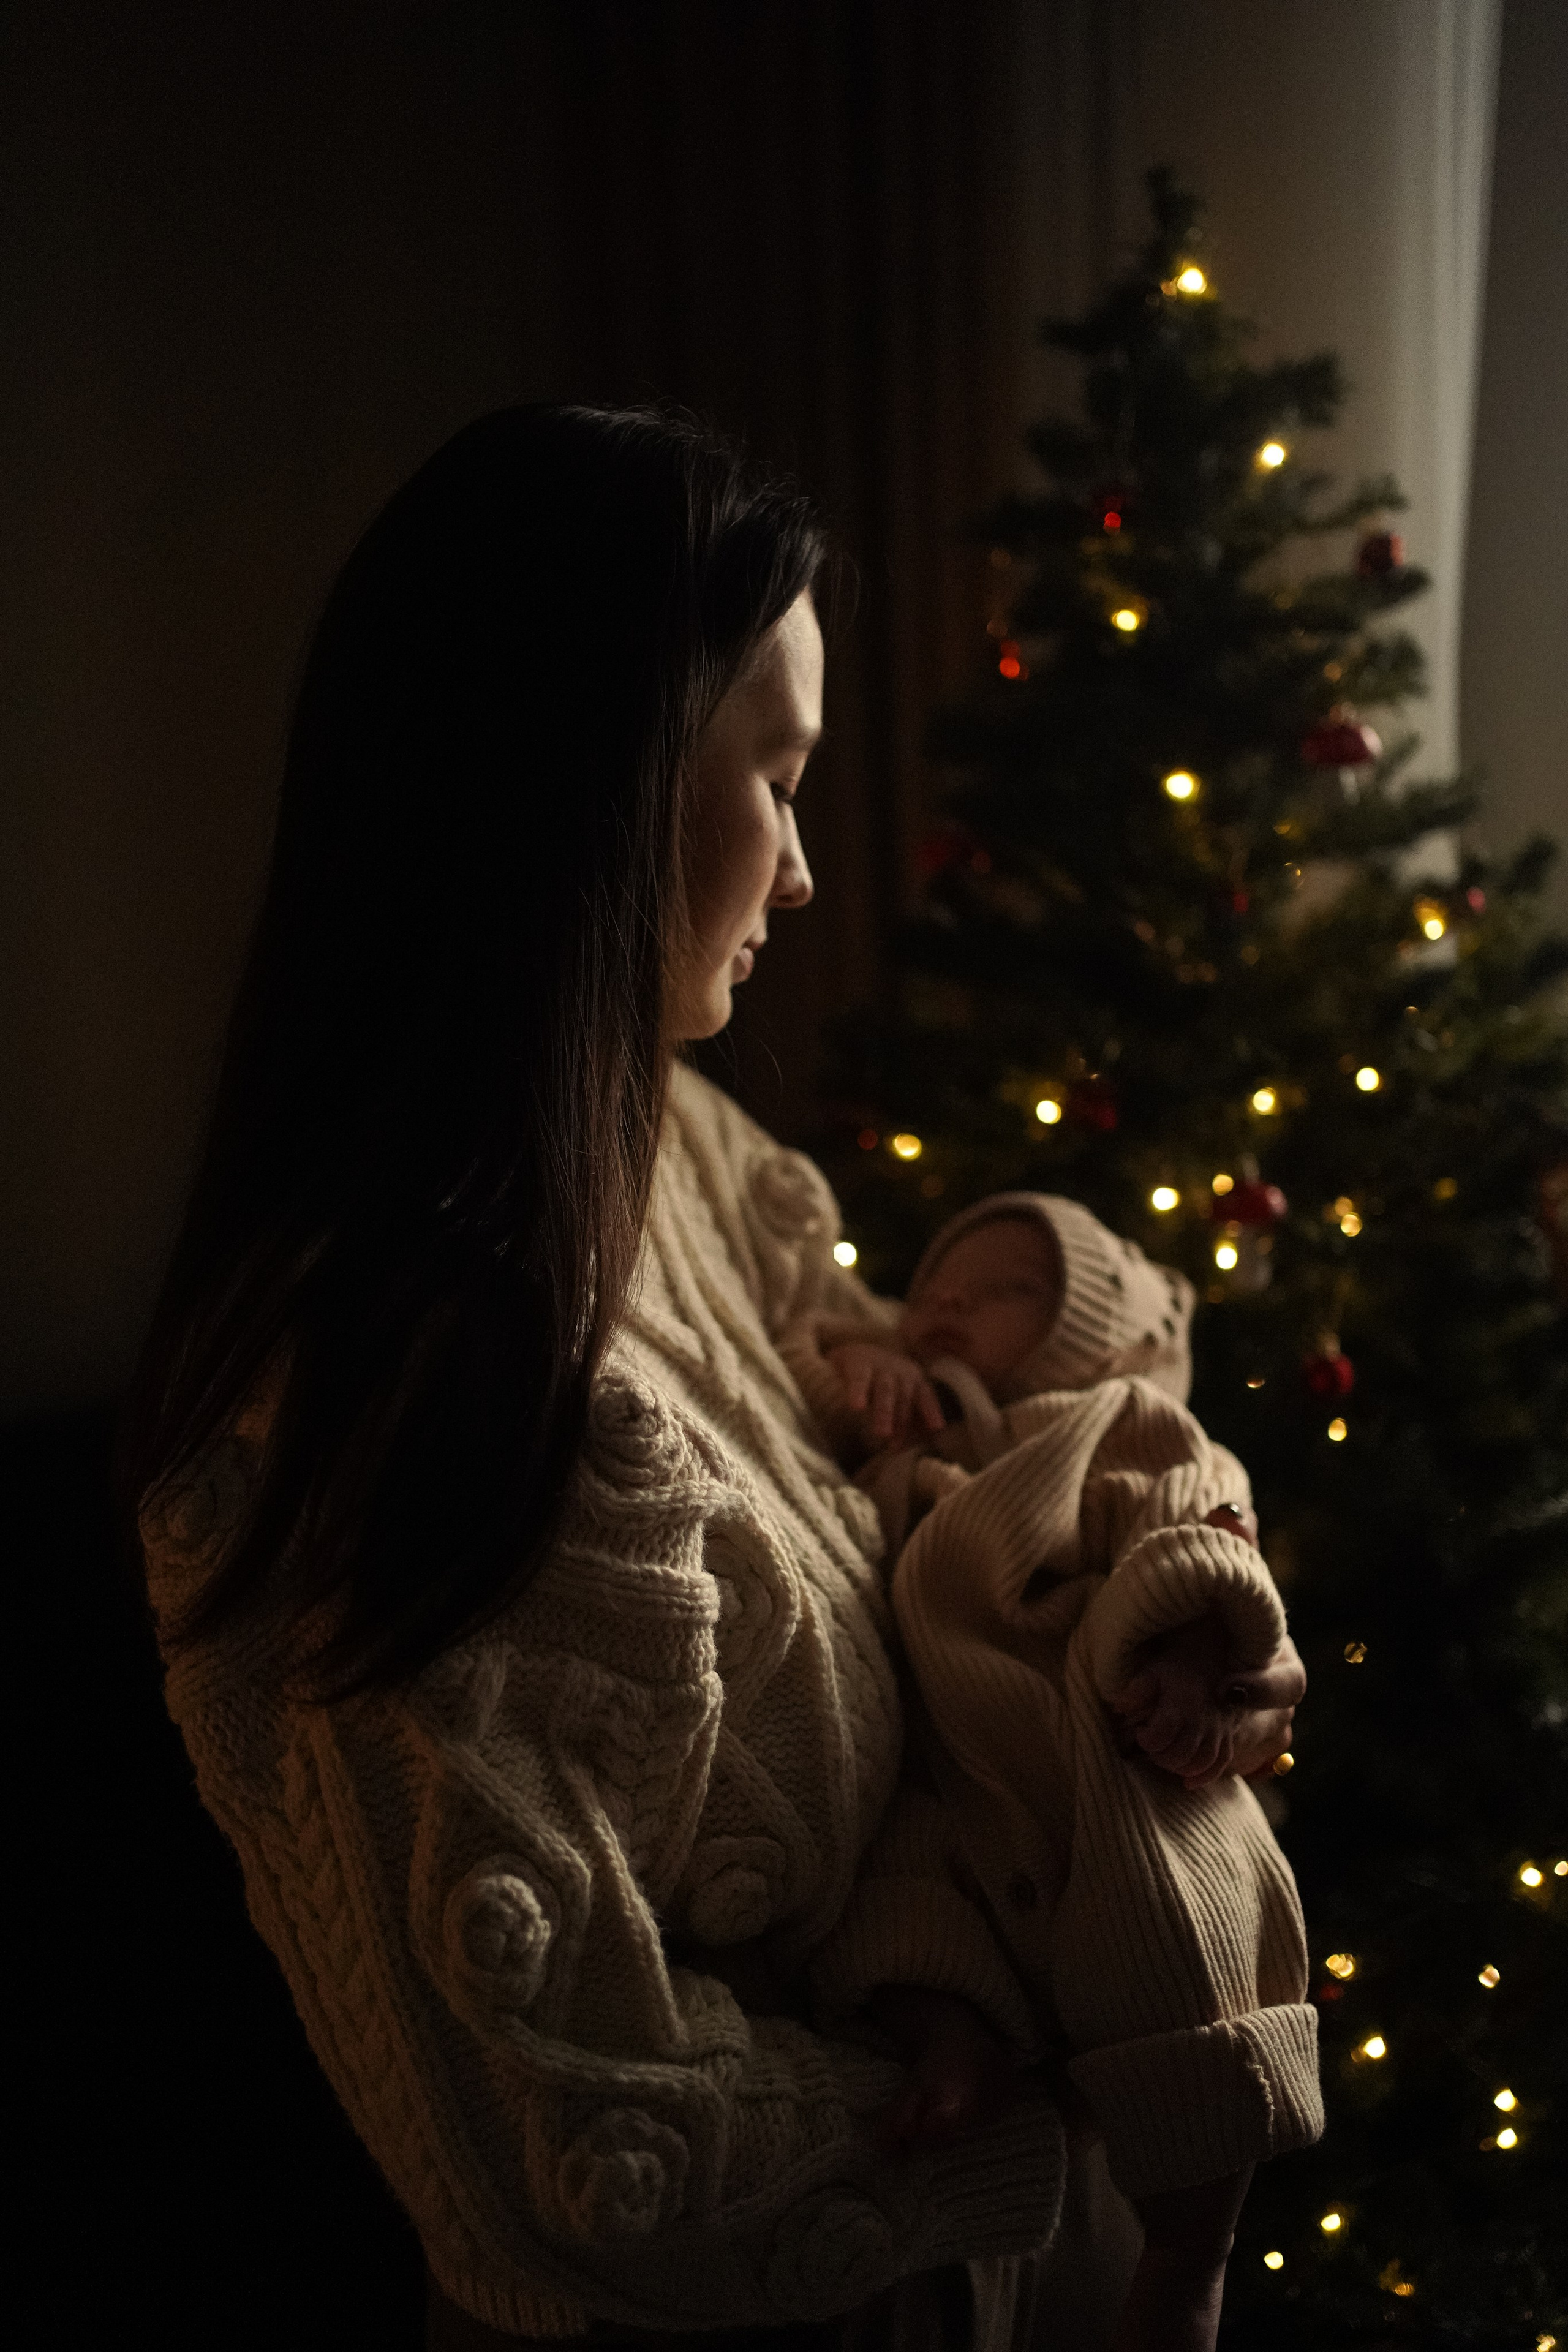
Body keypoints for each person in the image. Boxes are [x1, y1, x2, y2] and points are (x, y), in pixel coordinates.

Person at [123, 405, 1311, 2351]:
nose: (807, 872)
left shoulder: (687, 1152)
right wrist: (1067, 2089)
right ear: (587, 793)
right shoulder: (380, 1386)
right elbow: (571, 2153)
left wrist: (1177, 1603)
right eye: (774, 779)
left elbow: (989, 1442)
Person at [778, 1192, 1302, 1787]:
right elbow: (806, 1406)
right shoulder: (926, 1419)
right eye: (929, 1291)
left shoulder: (1114, 1420)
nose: (950, 1298)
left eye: (1010, 1289)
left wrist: (1194, 1651)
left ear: (1093, 1340)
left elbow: (1193, 1529)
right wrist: (855, 1356)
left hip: (1130, 1760)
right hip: (956, 1792)